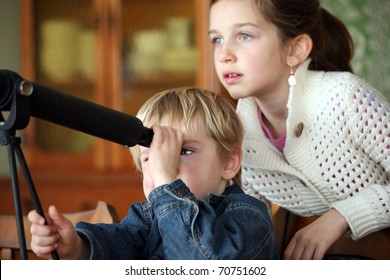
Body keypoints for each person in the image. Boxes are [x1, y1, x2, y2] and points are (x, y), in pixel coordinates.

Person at [208, 0, 390, 260]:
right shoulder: (239, 135)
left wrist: (341, 216)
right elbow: (251, 226)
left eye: (244, 35)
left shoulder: (346, 98)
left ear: (295, 49)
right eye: (216, 39)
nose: (224, 54)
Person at [28, 87, 279, 260]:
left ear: (229, 163)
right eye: (153, 158)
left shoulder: (249, 215)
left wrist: (168, 185)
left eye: (185, 151)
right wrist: (76, 247)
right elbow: (117, 249)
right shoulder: (148, 217)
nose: (164, 166)